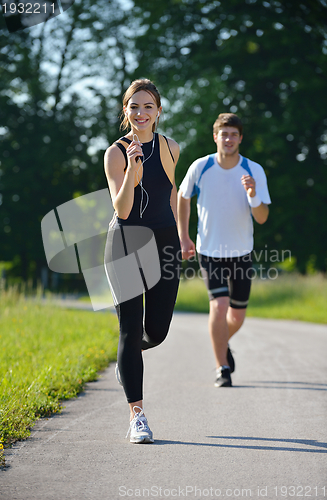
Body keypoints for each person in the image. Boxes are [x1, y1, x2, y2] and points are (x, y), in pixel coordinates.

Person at [104, 79, 181, 443]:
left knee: (158, 331)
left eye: (148, 106)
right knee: (129, 328)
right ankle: (137, 416)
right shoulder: (116, 153)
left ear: (159, 111)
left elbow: (171, 195)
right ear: (125, 111)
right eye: (134, 106)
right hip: (125, 241)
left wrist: (183, 235)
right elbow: (122, 209)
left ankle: (126, 361)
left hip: (164, 242)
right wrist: (132, 173)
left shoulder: (170, 148)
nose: (141, 113)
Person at [177, 113, 271, 387]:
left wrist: (253, 194)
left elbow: (262, 217)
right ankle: (222, 367)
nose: (228, 139)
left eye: (233, 134)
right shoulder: (201, 166)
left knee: (237, 316)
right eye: (223, 133)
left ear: (240, 138)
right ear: (215, 136)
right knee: (219, 306)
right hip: (210, 250)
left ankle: (221, 342)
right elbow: (183, 197)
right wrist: (183, 237)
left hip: (241, 251)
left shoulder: (253, 170)